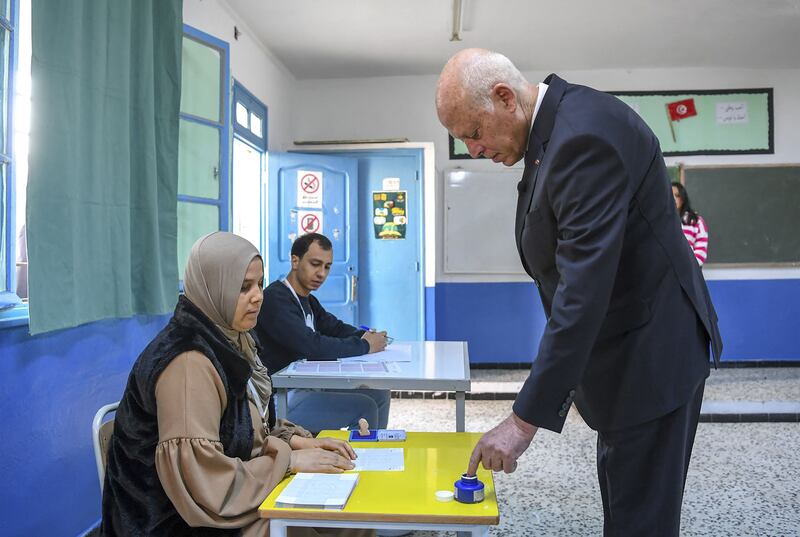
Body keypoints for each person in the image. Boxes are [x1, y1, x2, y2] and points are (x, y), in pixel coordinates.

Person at [436, 49, 723, 536]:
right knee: (624, 500)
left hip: (651, 358)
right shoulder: (552, 134)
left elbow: (582, 292)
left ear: (505, 97)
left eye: (473, 133)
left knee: (640, 520)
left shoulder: (583, 139)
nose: (472, 150)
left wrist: (521, 422)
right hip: (624, 356)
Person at [101, 232, 371, 537]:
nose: (258, 296)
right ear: (212, 288)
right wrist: (289, 461)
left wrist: (300, 441)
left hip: (224, 494)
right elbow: (206, 485)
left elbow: (242, 425)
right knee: (332, 524)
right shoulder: (189, 362)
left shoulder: (230, 338)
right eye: (243, 288)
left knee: (350, 512)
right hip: (179, 521)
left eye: (259, 283)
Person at [254, 232, 391, 433]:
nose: (322, 273)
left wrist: (367, 336)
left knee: (379, 392)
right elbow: (311, 345)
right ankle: (361, 462)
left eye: (327, 267)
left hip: (307, 385)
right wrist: (366, 346)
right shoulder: (275, 299)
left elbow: (334, 327)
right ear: (295, 261)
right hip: (281, 396)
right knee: (364, 407)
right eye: (315, 264)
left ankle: (376, 453)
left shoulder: (308, 300)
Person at [672, 181, 709, 266]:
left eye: (677, 195)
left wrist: (689, 266)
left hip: (689, 271)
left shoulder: (696, 221)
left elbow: (701, 250)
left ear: (683, 199)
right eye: (670, 195)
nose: (673, 198)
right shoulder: (660, 220)